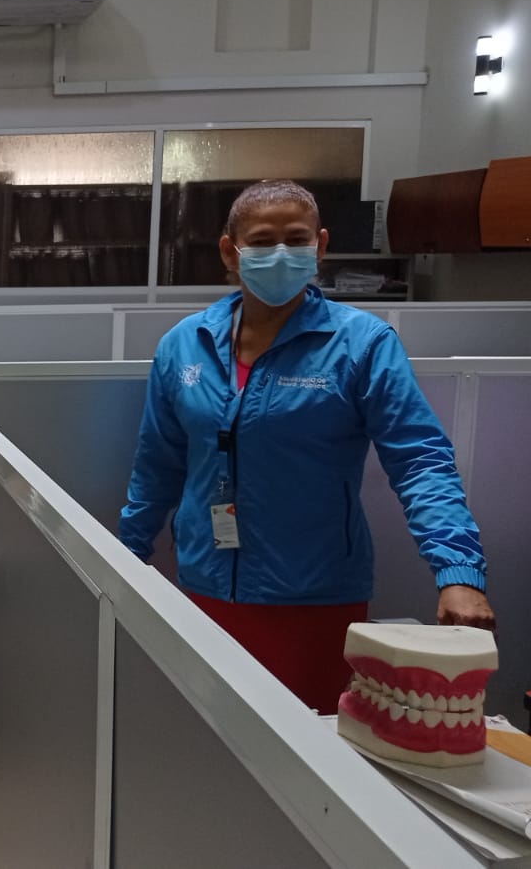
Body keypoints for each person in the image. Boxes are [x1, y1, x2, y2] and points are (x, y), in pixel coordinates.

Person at [119, 179, 495, 715]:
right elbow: (158, 462)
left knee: (308, 746)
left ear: (319, 246)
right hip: (204, 585)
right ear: (230, 251)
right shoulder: (185, 344)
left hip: (314, 597)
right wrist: (126, 554)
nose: (280, 254)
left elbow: (419, 460)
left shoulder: (361, 344)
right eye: (261, 241)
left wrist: (458, 572)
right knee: (207, 740)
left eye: (296, 240)